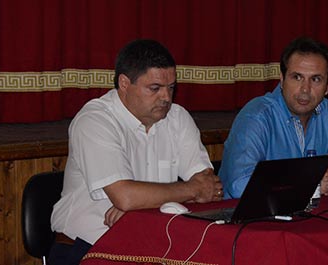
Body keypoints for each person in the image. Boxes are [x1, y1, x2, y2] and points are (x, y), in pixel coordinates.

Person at [49, 39, 223, 264]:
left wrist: (139, 210)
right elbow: (126, 196)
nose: (166, 98)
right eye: (155, 88)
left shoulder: (177, 117)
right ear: (124, 83)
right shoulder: (95, 120)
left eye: (171, 88)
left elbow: (209, 187)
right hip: (86, 246)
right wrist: (186, 191)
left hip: (152, 241)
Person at [219, 37, 328, 199]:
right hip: (250, 220)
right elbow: (239, 184)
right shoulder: (256, 116)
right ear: (282, 79)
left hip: (308, 218)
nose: (305, 89)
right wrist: (311, 184)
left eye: (315, 79)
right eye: (297, 77)